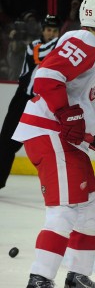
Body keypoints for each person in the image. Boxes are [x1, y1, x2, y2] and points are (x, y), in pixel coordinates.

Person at [12, 0, 95, 288]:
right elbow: (46, 77)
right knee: (65, 210)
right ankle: (39, 282)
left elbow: (80, 109)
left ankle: (77, 278)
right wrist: (68, 114)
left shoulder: (93, 49)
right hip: (49, 133)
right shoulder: (85, 40)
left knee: (90, 207)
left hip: (64, 137)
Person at [0, 15, 61, 190]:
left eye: (55, 30)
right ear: (42, 31)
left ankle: (57, 183)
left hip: (44, 102)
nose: (51, 33)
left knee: (51, 144)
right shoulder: (34, 46)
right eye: (48, 30)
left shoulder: (60, 48)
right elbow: (41, 56)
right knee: (6, 142)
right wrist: (63, 40)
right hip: (23, 99)